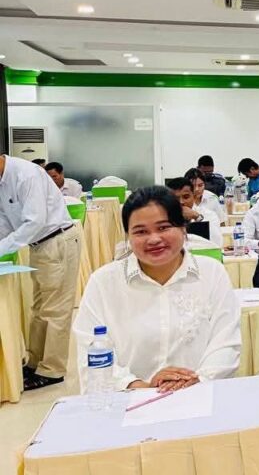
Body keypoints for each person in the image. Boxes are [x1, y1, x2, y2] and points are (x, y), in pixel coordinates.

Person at [73, 186, 240, 392]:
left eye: (163, 228)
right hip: (130, 401)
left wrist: (196, 381)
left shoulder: (211, 273)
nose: (153, 239)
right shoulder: (103, 282)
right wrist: (142, 387)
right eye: (141, 231)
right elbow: (90, 353)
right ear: (128, 236)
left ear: (183, 228)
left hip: (200, 395)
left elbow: (226, 342)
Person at [0, 154, 82, 390]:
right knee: (38, 310)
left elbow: (35, 221)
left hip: (57, 241)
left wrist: (2, 248)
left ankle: (52, 370)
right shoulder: (3, 181)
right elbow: (5, 222)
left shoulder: (26, 174)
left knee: (55, 311)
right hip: (38, 245)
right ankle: (35, 362)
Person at [167, 177, 222, 247]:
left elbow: (217, 243)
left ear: (194, 196)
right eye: (175, 198)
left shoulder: (208, 215)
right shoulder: (163, 217)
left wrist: (197, 217)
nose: (181, 202)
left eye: (186, 197)